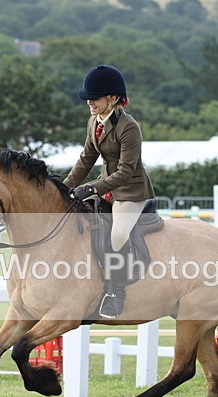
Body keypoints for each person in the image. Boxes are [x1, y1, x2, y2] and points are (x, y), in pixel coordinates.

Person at [64, 64, 156, 319]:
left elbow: (125, 172)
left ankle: (116, 293)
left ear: (113, 98)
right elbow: (86, 159)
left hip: (130, 191)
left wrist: (90, 188)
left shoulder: (129, 127)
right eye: (88, 98)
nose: (90, 102)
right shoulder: (94, 122)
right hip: (105, 186)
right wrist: (65, 187)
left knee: (117, 236)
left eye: (95, 98)